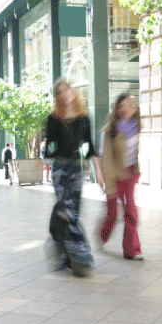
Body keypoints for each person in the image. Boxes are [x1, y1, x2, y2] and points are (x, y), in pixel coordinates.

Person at [45, 78, 103, 276]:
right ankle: (79, 255)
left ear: (72, 91)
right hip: (60, 168)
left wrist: (99, 173)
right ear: (57, 97)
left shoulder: (84, 118)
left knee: (73, 213)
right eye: (59, 92)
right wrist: (47, 151)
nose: (64, 94)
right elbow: (49, 147)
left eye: (65, 89)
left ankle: (65, 255)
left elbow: (90, 148)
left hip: (77, 169)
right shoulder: (53, 118)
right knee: (65, 211)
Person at [99, 93, 143, 260]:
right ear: (117, 109)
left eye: (129, 104)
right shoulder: (110, 131)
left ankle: (132, 250)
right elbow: (107, 160)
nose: (126, 108)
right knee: (112, 215)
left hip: (129, 174)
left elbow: (134, 151)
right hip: (115, 176)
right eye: (122, 106)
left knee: (131, 212)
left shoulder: (136, 126)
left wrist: (137, 170)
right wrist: (109, 187)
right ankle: (103, 235)